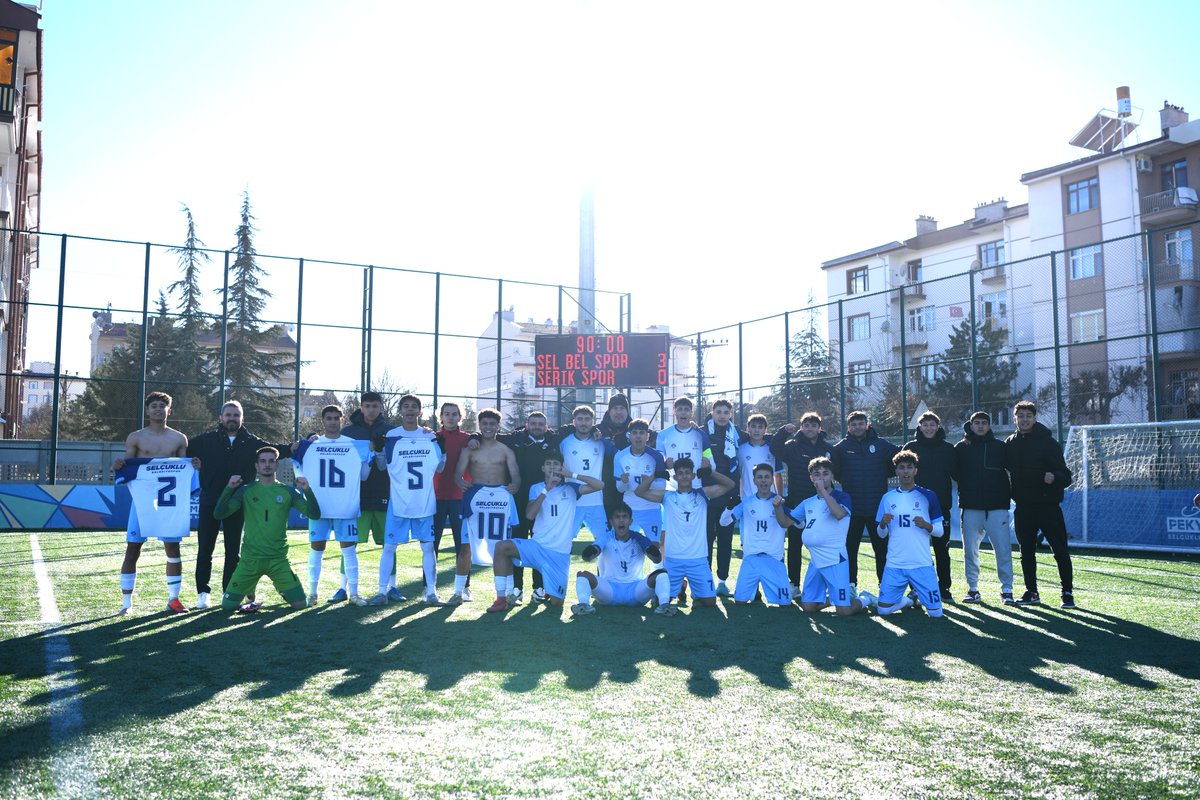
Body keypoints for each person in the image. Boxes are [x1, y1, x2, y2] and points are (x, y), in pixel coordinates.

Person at [186, 400, 296, 609]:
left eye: (236, 415)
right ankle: (203, 593)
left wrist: (302, 445)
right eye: (228, 414)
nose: (232, 418)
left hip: (237, 504)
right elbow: (178, 448)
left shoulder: (251, 442)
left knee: (233, 551)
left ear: (242, 418)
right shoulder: (206, 440)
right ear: (221, 417)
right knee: (205, 549)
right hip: (210, 502)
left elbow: (280, 450)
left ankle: (230, 592)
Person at [112, 391, 199, 615]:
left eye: (163, 405)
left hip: (168, 502)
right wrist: (119, 465)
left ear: (169, 410)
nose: (158, 409)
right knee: (132, 549)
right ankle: (126, 603)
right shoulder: (136, 437)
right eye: (154, 406)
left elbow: (183, 472)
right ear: (147, 410)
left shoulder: (179, 438)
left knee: (172, 549)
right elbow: (128, 469)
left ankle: (173, 599)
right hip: (142, 502)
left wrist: (195, 465)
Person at [486, 452, 603, 612]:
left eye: (556, 464)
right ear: (543, 468)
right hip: (537, 547)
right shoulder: (536, 488)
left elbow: (599, 485)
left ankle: (548, 589)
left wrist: (572, 475)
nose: (552, 467)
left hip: (559, 555)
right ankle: (501, 599)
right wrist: (547, 489)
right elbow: (530, 514)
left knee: (557, 604)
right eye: (549, 463)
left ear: (562, 468)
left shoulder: (571, 488)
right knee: (501, 547)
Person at [215, 447, 319, 612]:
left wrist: (307, 490)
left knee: (301, 605)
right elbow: (219, 513)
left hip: (278, 559)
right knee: (228, 606)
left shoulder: (288, 491)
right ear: (256, 466)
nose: (267, 465)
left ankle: (281, 587)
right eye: (263, 461)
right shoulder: (246, 490)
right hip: (250, 560)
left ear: (277, 465)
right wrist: (229, 488)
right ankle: (250, 588)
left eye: (271, 461)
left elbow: (314, 514)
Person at [291, 405, 372, 606]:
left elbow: (364, 476)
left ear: (342, 420)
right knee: (316, 549)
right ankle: (312, 593)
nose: (333, 422)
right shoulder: (309, 446)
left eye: (337, 418)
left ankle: (354, 593)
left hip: (345, 506)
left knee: (349, 550)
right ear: (322, 421)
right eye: (329, 418)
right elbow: (297, 465)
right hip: (319, 507)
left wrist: (369, 457)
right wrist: (300, 475)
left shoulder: (355, 445)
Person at [372, 394, 444, 605]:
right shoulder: (391, 436)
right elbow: (382, 466)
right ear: (400, 410)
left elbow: (440, 467)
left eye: (414, 407)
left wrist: (443, 450)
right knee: (389, 547)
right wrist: (378, 451)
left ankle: (431, 592)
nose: (410, 410)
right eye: (406, 406)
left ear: (420, 411)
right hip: (399, 500)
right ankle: (381, 592)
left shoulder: (428, 436)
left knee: (428, 547)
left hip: (424, 500)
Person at [635, 456, 734, 608]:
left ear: (693, 476)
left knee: (709, 602)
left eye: (687, 472)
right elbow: (640, 491)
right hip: (674, 559)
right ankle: (680, 586)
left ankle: (690, 587)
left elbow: (730, 484)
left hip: (698, 559)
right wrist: (657, 474)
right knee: (660, 601)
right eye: (680, 473)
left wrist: (710, 472)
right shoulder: (667, 496)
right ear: (675, 477)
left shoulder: (702, 494)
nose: (684, 476)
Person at [1005, 400, 1076, 609]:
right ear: (1015, 419)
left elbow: (1067, 476)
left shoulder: (1048, 442)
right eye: (1021, 416)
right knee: (1026, 552)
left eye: (1028, 416)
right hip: (1023, 508)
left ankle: (1067, 593)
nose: (1024, 420)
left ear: (1034, 418)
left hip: (1048, 507)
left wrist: (1054, 477)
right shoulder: (1010, 443)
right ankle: (1032, 592)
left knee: (1060, 550)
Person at [858, 450, 944, 618]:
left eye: (909, 468)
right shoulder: (888, 498)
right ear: (896, 471)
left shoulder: (929, 496)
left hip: (922, 564)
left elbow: (940, 532)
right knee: (883, 610)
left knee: (936, 613)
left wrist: (926, 525)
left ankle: (916, 597)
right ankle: (909, 600)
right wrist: (883, 523)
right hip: (895, 565)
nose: (905, 471)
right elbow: (881, 534)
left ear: (915, 471)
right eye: (902, 468)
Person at [332, 391, 395, 604]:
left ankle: (392, 586)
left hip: (383, 493)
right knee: (349, 543)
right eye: (367, 406)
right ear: (361, 407)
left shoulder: (390, 431)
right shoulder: (348, 432)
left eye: (375, 406)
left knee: (389, 542)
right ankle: (342, 587)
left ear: (381, 408)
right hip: (355, 496)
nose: (371, 410)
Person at [453, 408, 521, 605]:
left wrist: (515, 485)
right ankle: (458, 592)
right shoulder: (469, 449)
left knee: (503, 546)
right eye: (485, 424)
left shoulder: (506, 450)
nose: (489, 427)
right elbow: (458, 473)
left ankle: (507, 593)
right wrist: (460, 481)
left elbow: (515, 475)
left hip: (500, 500)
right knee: (466, 547)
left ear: (498, 426)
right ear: (479, 426)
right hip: (476, 499)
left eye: (492, 424)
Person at [493, 410, 562, 602]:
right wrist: (474, 435)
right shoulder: (515, 438)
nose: (537, 427)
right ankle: (517, 588)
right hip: (518, 501)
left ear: (546, 426)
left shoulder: (554, 439)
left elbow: (572, 429)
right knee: (517, 543)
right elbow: (488, 434)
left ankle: (539, 588)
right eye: (534, 423)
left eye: (541, 424)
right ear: (527, 425)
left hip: (541, 500)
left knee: (540, 544)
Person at [830, 410, 900, 588]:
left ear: (867, 425)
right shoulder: (840, 448)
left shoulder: (881, 444)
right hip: (852, 509)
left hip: (877, 509)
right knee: (850, 549)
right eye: (854, 424)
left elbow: (900, 458)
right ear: (849, 427)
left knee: (882, 549)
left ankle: (884, 585)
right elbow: (834, 470)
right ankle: (851, 584)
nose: (857, 427)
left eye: (861, 423)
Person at [788, 457, 865, 615]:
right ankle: (833, 598)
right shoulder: (808, 502)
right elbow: (785, 522)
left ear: (832, 476)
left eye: (825, 473)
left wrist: (823, 491)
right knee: (808, 608)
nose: (821, 477)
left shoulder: (842, 497)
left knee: (844, 612)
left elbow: (838, 514)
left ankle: (865, 599)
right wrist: (777, 506)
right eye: (817, 474)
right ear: (811, 478)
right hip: (816, 560)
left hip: (835, 559)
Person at [952, 411, 1015, 604]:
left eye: (984, 423)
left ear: (989, 426)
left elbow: (1013, 470)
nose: (980, 426)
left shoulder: (1000, 447)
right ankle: (973, 589)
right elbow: (954, 473)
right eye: (976, 423)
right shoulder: (961, 448)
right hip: (971, 507)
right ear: (970, 426)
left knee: (1003, 549)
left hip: (997, 508)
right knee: (970, 550)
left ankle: (1007, 589)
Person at [573, 503, 674, 617]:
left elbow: (656, 559)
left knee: (661, 574)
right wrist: (592, 552)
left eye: (624, 517)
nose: (621, 520)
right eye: (617, 517)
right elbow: (589, 555)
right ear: (612, 521)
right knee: (582, 575)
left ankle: (664, 606)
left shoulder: (639, 538)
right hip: (609, 590)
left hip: (636, 591)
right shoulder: (606, 537)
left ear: (630, 521)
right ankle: (583, 605)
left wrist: (648, 546)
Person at [771, 412, 834, 593]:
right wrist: (784, 432)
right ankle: (794, 584)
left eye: (813, 425)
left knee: (824, 543)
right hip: (797, 502)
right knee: (795, 545)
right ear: (801, 428)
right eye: (806, 425)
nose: (810, 428)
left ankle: (828, 582)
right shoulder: (792, 446)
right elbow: (775, 448)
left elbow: (837, 468)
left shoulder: (828, 448)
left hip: (822, 504)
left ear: (819, 428)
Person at [719, 463, 795, 606]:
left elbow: (800, 524)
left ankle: (761, 590)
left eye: (767, 477)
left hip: (774, 559)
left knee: (785, 603)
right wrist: (729, 508)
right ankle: (753, 591)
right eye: (759, 477)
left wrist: (792, 510)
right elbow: (724, 523)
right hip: (751, 558)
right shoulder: (747, 502)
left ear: (772, 480)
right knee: (740, 601)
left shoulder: (780, 502)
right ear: (754, 480)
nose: (763, 480)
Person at [902, 411, 956, 601]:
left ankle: (944, 588)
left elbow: (959, 473)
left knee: (942, 550)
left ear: (938, 426)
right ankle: (918, 588)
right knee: (917, 550)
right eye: (925, 425)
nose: (929, 428)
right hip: (915, 508)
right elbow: (902, 471)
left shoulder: (948, 449)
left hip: (940, 508)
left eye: (932, 424)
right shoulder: (911, 447)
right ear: (920, 427)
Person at [704, 399, 747, 597]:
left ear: (731, 414)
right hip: (707, 495)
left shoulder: (737, 434)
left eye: (726, 412)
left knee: (725, 540)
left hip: (730, 496)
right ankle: (704, 581)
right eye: (718, 411)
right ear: (712, 413)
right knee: (705, 539)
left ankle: (721, 581)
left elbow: (760, 436)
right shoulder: (702, 432)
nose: (722, 415)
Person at [558, 405, 615, 545]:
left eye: (587, 419)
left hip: (596, 500)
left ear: (592, 422)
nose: (584, 423)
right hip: (572, 501)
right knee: (564, 542)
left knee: (604, 543)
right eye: (580, 419)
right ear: (574, 422)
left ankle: (603, 568)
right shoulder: (565, 443)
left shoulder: (600, 442)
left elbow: (615, 455)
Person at [432, 402, 472, 601]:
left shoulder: (468, 439)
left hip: (460, 498)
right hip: (435, 497)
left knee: (463, 544)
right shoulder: (431, 437)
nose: (450, 417)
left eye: (454, 414)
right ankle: (429, 587)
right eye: (446, 414)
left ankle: (465, 587)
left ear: (460, 417)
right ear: (441, 416)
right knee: (432, 545)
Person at [612, 418, 668, 547]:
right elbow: (619, 489)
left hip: (651, 509)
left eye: (642, 433)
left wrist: (647, 483)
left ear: (647, 436)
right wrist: (624, 482)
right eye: (635, 432)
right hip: (629, 509)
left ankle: (658, 568)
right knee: (627, 545)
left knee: (655, 546)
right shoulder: (620, 456)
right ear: (629, 436)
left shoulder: (657, 457)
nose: (638, 436)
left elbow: (661, 487)